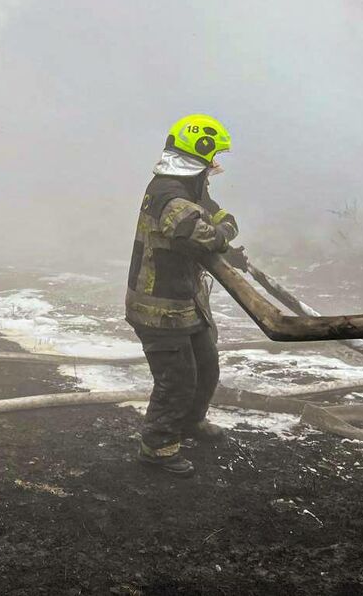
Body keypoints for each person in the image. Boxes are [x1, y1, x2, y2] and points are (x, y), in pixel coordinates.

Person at [124, 114, 244, 477]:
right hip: (159, 308)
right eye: (210, 158)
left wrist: (221, 221)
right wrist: (223, 231)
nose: (213, 165)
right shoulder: (169, 195)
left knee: (206, 366)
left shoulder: (187, 187)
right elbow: (200, 231)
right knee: (176, 380)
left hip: (184, 302)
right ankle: (158, 447)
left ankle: (190, 423)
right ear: (198, 153)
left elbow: (215, 212)